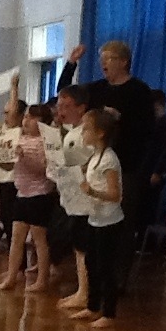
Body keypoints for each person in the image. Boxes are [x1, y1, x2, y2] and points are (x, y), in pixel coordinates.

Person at [58, 42, 156, 287]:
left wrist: (120, 119)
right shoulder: (97, 89)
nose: (103, 63)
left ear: (123, 61)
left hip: (127, 165)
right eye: (102, 58)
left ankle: (117, 280)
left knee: (122, 224)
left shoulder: (140, 91)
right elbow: (65, 94)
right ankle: (94, 278)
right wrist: (71, 63)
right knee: (95, 220)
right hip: (96, 163)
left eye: (109, 58)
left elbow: (148, 130)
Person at [71, 110, 125, 330]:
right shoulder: (95, 157)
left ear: (100, 133)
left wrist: (92, 192)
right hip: (95, 218)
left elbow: (115, 194)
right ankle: (93, 306)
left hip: (109, 222)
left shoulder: (110, 159)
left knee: (106, 267)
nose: (82, 133)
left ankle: (109, 312)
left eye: (86, 129)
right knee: (91, 264)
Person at [0, 104, 56, 293]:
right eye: (26, 117)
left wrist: (24, 158)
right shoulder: (19, 138)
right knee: (16, 238)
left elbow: (44, 169)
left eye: (32, 117)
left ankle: (42, 279)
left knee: (39, 240)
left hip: (39, 195)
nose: (26, 121)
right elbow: (6, 162)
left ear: (43, 122)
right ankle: (12, 276)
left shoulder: (44, 142)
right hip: (22, 193)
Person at [52, 84, 95, 309]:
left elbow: (92, 162)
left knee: (85, 247)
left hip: (88, 201)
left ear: (81, 108)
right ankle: (82, 290)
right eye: (59, 106)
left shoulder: (87, 134)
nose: (61, 111)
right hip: (72, 199)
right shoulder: (70, 133)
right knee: (78, 247)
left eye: (66, 106)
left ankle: (87, 294)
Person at [0, 74, 26, 242]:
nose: (5, 116)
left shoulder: (19, 131)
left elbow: (14, 110)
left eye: (7, 113)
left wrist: (14, 88)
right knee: (6, 218)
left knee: (15, 221)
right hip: (3, 179)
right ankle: (12, 251)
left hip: (16, 180)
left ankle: (18, 254)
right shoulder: (3, 129)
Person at [145, 89, 166, 237]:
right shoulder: (153, 123)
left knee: (151, 207)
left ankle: (150, 240)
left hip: (155, 172)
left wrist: (157, 172)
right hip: (147, 170)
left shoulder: (165, 124)